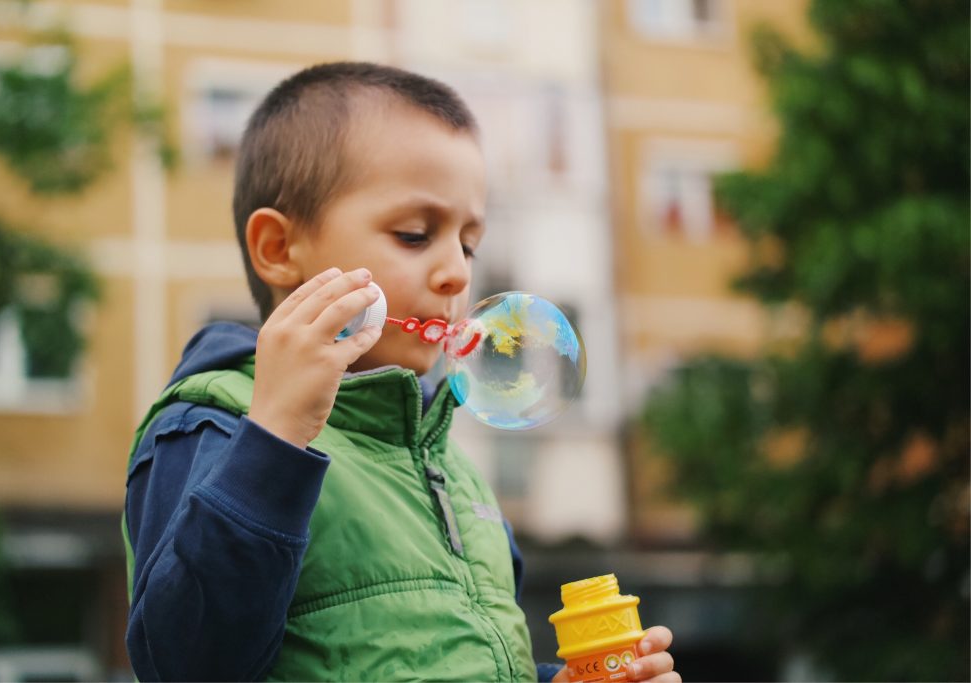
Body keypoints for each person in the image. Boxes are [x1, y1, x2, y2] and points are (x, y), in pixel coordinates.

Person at [123, 62, 680, 682]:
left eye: (468, 244)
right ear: (279, 249)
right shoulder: (217, 427)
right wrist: (276, 435)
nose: (458, 274)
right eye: (416, 234)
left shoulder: (449, 465)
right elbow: (187, 664)